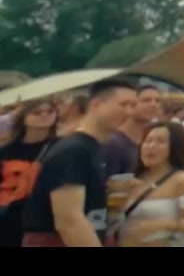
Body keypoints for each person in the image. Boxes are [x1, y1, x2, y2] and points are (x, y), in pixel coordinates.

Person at [21, 77, 138, 246]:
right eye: (123, 104)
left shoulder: (94, 148)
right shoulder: (74, 151)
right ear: (96, 105)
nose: (129, 112)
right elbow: (69, 222)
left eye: (133, 106)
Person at [118, 121, 184, 247]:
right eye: (148, 141)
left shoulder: (183, 180)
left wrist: (158, 225)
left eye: (160, 142)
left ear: (174, 147)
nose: (151, 146)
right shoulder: (132, 178)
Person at [0, 99, 59, 247]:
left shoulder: (61, 148)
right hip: (8, 217)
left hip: (43, 220)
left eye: (50, 111)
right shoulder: (7, 150)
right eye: (37, 112)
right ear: (23, 118)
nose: (45, 115)